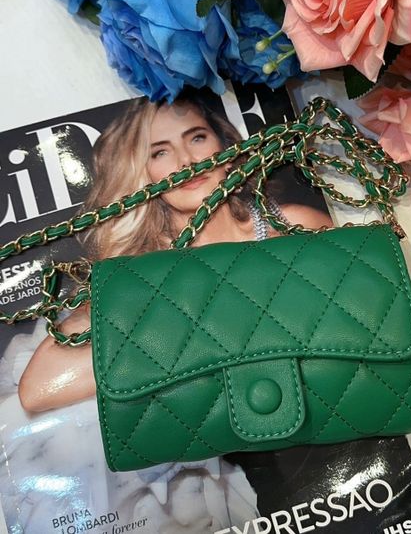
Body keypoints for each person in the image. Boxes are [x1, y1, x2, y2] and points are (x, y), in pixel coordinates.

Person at [18, 89, 333, 413]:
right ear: (142, 174)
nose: (186, 161)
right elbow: (38, 389)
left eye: (197, 137)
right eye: (159, 153)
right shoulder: (139, 276)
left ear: (224, 145)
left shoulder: (293, 225)